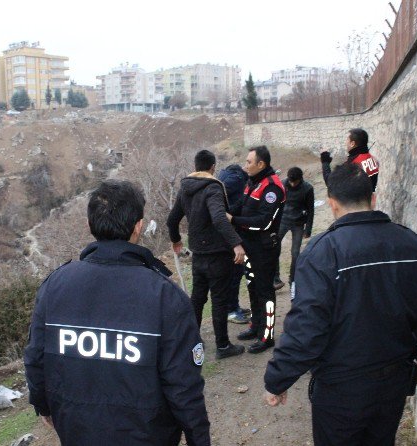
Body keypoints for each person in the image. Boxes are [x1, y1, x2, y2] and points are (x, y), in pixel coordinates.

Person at [263, 163, 417, 446]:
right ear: (372, 199)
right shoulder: (411, 243)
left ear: (333, 205)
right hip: (394, 382)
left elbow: (307, 328)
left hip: (341, 388)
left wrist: (278, 379)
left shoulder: (323, 252)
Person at [24, 180, 211, 446]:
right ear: (139, 226)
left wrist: (43, 405)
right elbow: (184, 386)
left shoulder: (55, 285)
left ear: (90, 226)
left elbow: (35, 358)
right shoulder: (165, 296)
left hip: (76, 431)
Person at [167, 150, 246, 360]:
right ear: (212, 167)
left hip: (198, 254)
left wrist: (176, 241)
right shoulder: (213, 188)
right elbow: (219, 218)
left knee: (198, 298)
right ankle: (222, 346)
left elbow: (172, 219)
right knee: (219, 300)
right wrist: (236, 244)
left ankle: (192, 341)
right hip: (218, 255)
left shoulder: (186, 188)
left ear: (195, 166)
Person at [227, 145, 285, 354]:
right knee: (252, 286)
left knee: (265, 291)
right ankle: (256, 325)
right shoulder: (252, 182)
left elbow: (264, 222)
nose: (245, 165)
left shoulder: (273, 188)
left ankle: (267, 334)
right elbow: (240, 205)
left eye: (249, 162)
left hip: (264, 249)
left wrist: (234, 220)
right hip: (249, 246)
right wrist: (223, 210)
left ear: (261, 164)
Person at [218, 163, 251, 324]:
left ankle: (234, 306)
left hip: (227, 231)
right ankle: (231, 310)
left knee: (235, 271)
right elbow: (220, 191)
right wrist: (228, 213)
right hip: (231, 232)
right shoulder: (237, 179)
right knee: (235, 271)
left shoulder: (225, 174)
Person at [273, 166, 314, 291]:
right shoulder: (282, 184)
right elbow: (276, 203)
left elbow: (311, 209)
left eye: (294, 181)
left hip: (298, 223)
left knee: (295, 253)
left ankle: (293, 279)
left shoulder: (308, 188)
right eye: (290, 181)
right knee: (274, 247)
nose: (292, 184)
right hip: (283, 220)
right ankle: (275, 278)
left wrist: (308, 229)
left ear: (300, 179)